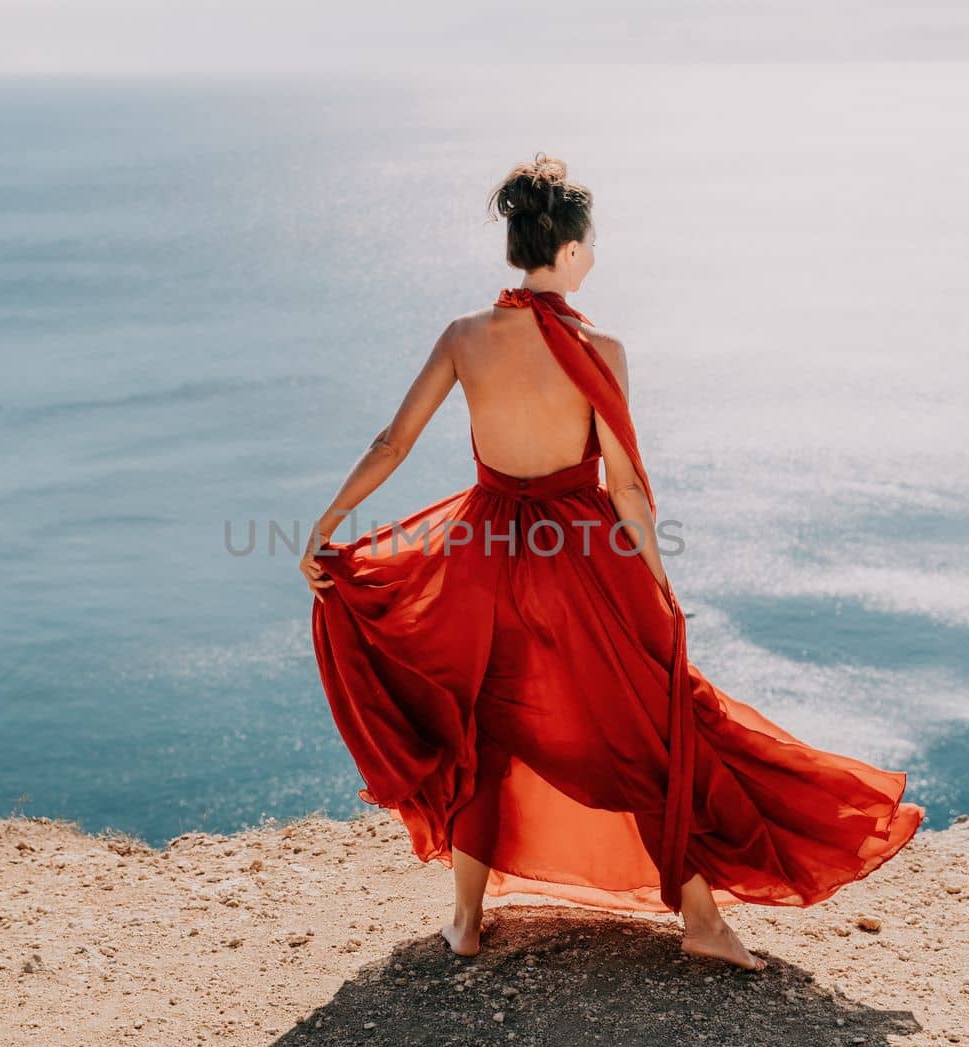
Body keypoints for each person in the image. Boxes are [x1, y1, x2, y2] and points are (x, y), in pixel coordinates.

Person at [301, 152, 924, 971]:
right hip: (582, 554)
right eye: (589, 245)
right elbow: (626, 486)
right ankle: (699, 917)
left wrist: (330, 523)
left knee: (483, 727)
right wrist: (660, 585)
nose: (594, 257)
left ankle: (464, 918)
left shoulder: (463, 337)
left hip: (484, 549)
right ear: (564, 251)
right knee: (643, 729)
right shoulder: (599, 347)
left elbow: (394, 441)